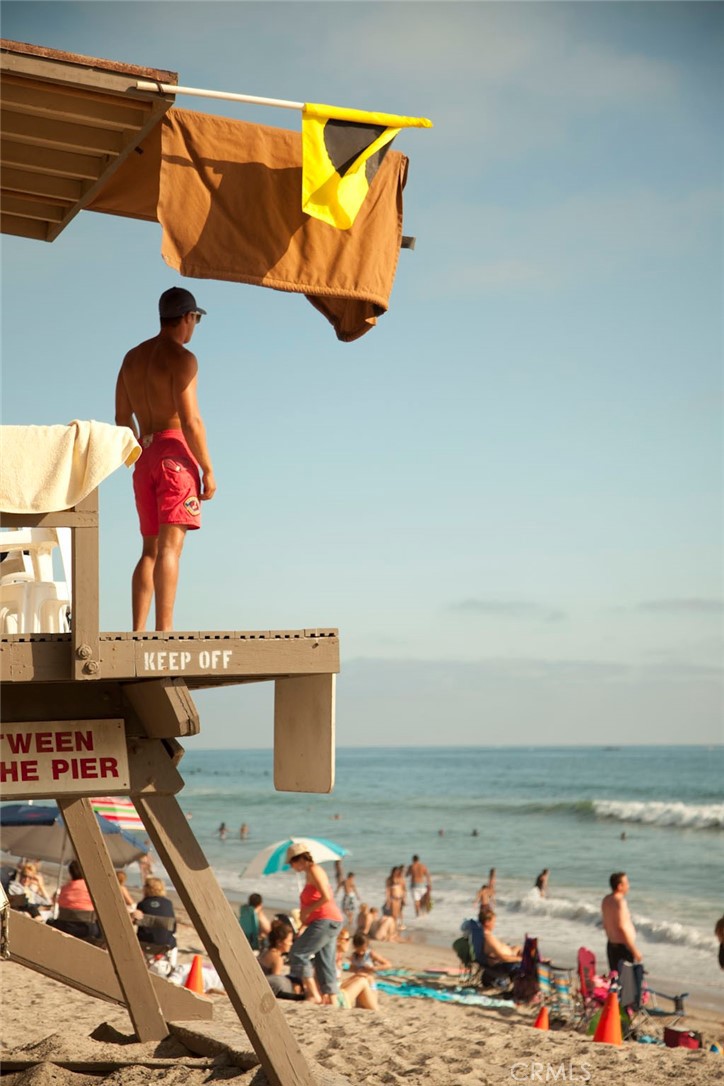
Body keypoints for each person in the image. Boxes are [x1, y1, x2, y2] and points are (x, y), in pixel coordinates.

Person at [115, 286, 216, 632]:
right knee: (171, 548)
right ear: (187, 318)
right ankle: (165, 632)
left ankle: (139, 632)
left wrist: (138, 455)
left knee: (149, 550)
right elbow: (191, 422)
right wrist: (208, 470)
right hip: (174, 453)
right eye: (196, 320)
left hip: (143, 453)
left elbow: (121, 419)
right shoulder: (183, 360)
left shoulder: (131, 358)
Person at [286, 843, 344, 1004]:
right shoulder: (309, 873)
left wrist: (307, 911)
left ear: (300, 859)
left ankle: (313, 994)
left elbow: (326, 896)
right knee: (324, 960)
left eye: (291, 863)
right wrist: (305, 922)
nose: (291, 867)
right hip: (327, 920)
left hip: (326, 919)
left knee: (298, 953)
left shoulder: (314, 870)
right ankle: (332, 998)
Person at [47, 860, 101, 941]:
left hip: (64, 926)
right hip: (86, 929)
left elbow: (56, 900)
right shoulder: (91, 888)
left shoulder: (64, 888)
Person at [601, 872, 642, 972]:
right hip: (623, 947)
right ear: (620, 886)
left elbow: (606, 925)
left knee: (615, 978)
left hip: (611, 945)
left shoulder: (606, 900)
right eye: (626, 883)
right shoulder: (620, 902)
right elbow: (622, 926)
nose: (628, 886)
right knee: (627, 981)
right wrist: (634, 950)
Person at [133, 876, 177, 966]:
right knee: (173, 941)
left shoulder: (142, 904)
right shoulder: (168, 903)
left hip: (144, 943)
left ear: (147, 888)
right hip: (164, 945)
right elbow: (174, 929)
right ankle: (172, 966)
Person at [257, 919, 304, 999]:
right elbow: (276, 980)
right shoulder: (278, 959)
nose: (291, 944)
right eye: (289, 941)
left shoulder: (266, 951)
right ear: (279, 942)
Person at [334, 929, 378, 1009]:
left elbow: (335, 983)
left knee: (364, 978)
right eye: (347, 939)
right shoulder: (332, 959)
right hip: (335, 998)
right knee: (363, 981)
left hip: (335, 992)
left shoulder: (336, 957)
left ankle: (366, 1005)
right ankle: (375, 1009)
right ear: (338, 941)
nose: (349, 942)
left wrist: (356, 976)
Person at [479, 906, 522, 976]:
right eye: (493, 922)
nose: (494, 925)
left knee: (519, 948)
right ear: (487, 922)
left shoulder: (485, 934)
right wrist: (520, 959)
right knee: (532, 961)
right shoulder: (488, 939)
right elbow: (503, 958)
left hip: (505, 957)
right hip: (503, 964)